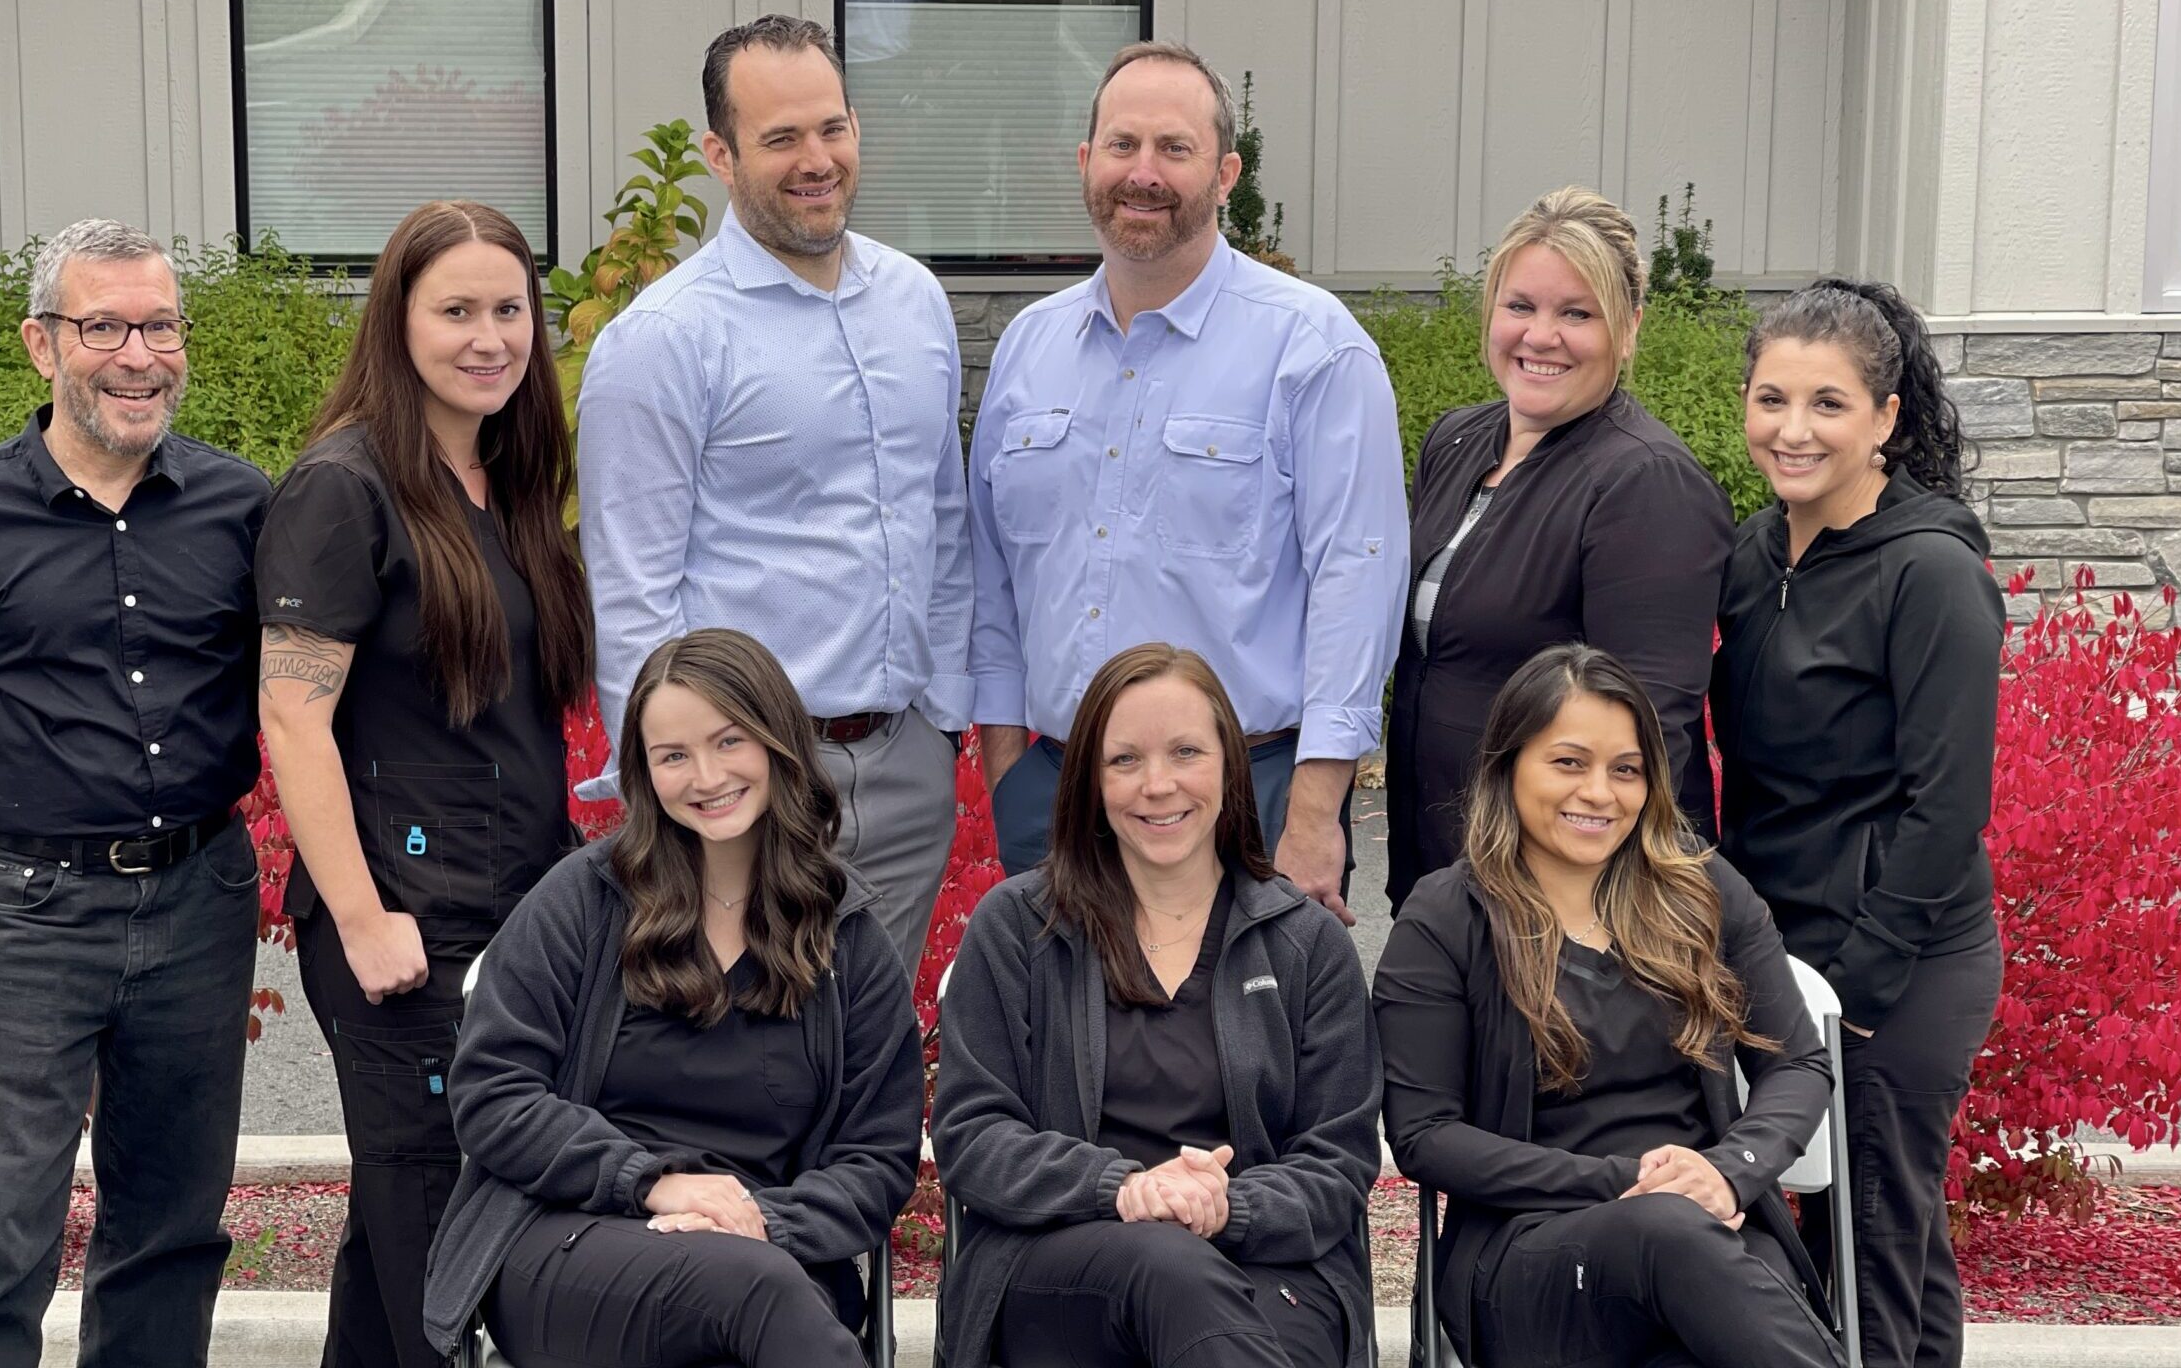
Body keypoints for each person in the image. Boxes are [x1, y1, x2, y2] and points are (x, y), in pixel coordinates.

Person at [0, 219, 269, 1367]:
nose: (138, 354)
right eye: (104, 326)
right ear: (42, 345)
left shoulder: (241, 508)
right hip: (33, 909)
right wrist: (36, 825)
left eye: (159, 325)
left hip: (202, 898)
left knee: (170, 1229)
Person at [254, 199, 594, 1368]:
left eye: (510, 310)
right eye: (456, 310)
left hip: (513, 914)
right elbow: (291, 717)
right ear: (397, 321)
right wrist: (360, 918)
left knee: (399, 1230)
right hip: (407, 929)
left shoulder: (506, 477)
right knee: (436, 1227)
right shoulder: (343, 489)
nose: (489, 336)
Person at [969, 41, 1405, 922]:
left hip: (1251, 790)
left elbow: (1357, 586)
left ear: (1225, 173)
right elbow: (992, 576)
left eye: (1175, 148)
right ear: (1086, 163)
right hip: (1056, 790)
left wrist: (1318, 812)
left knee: (1247, 1055)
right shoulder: (1028, 347)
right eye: (1122, 146)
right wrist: (1011, 771)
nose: (1144, 173)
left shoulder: (1312, 348)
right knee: (1060, 1054)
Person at [577, 13, 970, 979]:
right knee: (751, 1047)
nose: (816, 160)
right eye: (780, 138)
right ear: (718, 153)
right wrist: (670, 794)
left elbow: (943, 521)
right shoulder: (662, 341)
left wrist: (948, 717)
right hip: (754, 778)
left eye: (832, 128)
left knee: (873, 1051)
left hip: (906, 763)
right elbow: (634, 591)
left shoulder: (916, 301)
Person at [419, 628, 925, 1367]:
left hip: (767, 1249)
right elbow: (492, 1093)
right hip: (573, 1243)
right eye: (672, 756)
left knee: (754, 1299)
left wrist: (760, 1219)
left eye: (729, 742)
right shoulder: (585, 901)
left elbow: (877, 1159)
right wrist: (652, 1183)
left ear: (778, 742)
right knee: (760, 1298)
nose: (706, 775)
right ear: (643, 771)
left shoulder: (845, 936)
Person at [1375, 644, 1843, 1368]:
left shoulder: (1701, 891)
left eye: (1625, 770)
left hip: (1711, 1238)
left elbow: (1800, 1063)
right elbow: (1425, 1135)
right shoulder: (1447, 918)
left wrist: (1726, 1170)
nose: (1600, 792)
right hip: (1528, 1259)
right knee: (1666, 1234)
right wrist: (1630, 1182)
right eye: (1568, 762)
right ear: (1509, 766)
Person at [933, 643, 1382, 1368]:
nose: (1159, 785)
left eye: (1186, 752)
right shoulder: (1018, 927)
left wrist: (1227, 1206)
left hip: (1263, 1267)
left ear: (1231, 767)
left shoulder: (1305, 943)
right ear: (1089, 782)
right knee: (1164, 1267)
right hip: (1060, 1266)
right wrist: (1126, 1189)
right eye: (1125, 761)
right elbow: (973, 1135)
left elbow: (1338, 1159)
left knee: (1220, 1307)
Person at [1711, 279, 2002, 1368]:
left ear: (1884, 418)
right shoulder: (1751, 559)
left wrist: (1865, 991)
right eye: (1771, 399)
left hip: (1901, 964)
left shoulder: (1928, 571)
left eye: (1827, 404)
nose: (1793, 429)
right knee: (1879, 1248)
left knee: (1875, 1235)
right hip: (1782, 949)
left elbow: (1946, 808)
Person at [1383, 187, 1732, 917]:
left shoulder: (1646, 483)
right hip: (1438, 869)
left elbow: (1646, 732)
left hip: (1558, 897)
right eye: (1520, 306)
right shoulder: (1455, 442)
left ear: (1629, 328)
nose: (1540, 336)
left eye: (1576, 313)